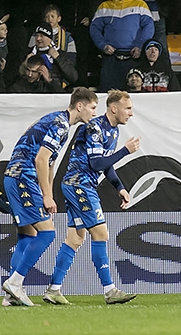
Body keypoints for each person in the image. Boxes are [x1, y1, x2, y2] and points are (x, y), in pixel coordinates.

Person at [1, 87, 99, 307]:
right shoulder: (61, 125)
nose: (94, 113)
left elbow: (50, 163)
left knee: (27, 235)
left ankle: (10, 296)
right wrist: (46, 195)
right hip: (23, 178)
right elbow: (41, 160)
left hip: (13, 176)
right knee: (47, 233)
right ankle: (15, 283)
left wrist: (50, 195)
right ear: (80, 105)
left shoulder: (57, 120)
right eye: (92, 108)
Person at [44, 90, 140, 306]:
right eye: (128, 108)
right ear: (114, 108)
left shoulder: (112, 131)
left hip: (75, 185)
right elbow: (96, 164)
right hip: (80, 185)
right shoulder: (94, 128)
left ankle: (53, 289)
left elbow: (105, 164)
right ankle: (109, 290)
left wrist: (119, 187)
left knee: (76, 238)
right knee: (101, 233)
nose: (131, 114)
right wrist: (125, 151)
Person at [90, 0, 155, 92]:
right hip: (111, 58)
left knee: (133, 93)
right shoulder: (104, 6)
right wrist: (103, 45)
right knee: (108, 93)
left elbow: (149, 27)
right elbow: (94, 28)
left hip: (133, 57)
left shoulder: (140, 5)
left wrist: (140, 46)